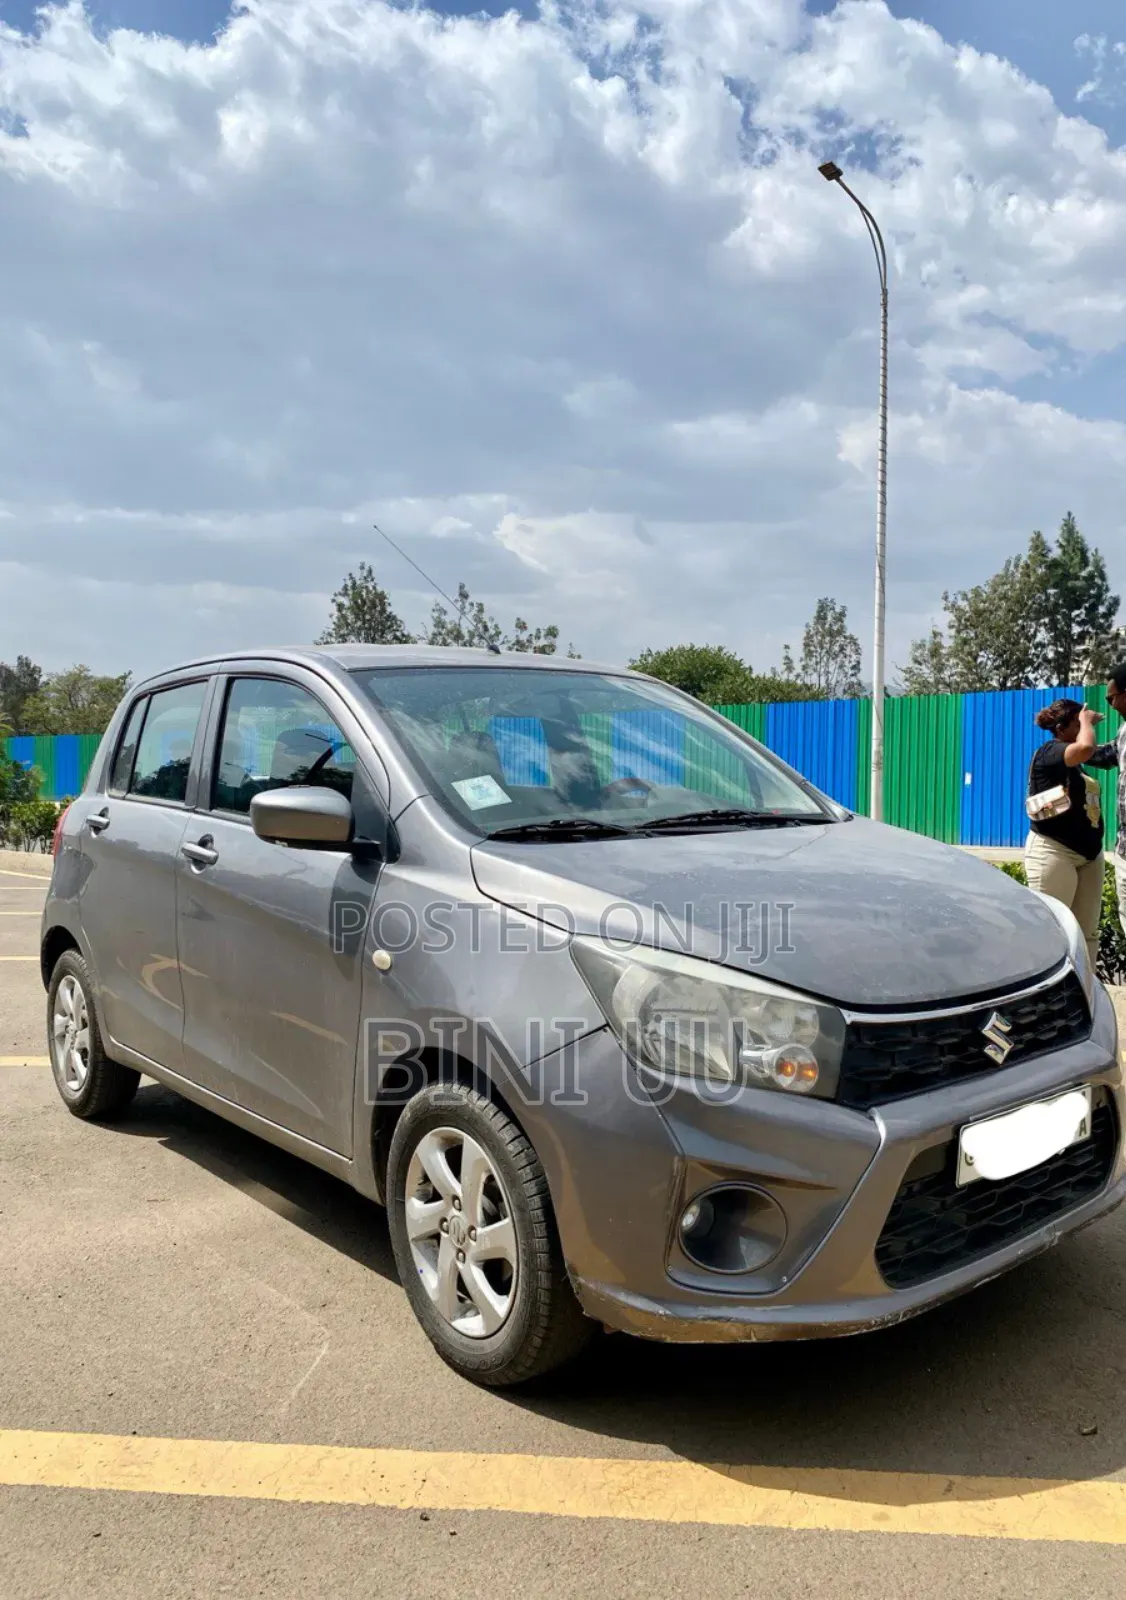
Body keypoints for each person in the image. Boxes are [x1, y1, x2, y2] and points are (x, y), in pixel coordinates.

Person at [1024, 698, 1105, 965]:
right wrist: (1086, 719)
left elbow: (1097, 752)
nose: (1083, 726)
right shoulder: (1051, 751)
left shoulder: (1072, 764)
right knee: (1052, 931)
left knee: (1086, 934)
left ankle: (1086, 995)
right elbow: (1086, 747)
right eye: (1077, 723)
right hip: (1054, 852)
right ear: (1061, 728)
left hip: (1088, 856)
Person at [1085, 662, 1126, 942]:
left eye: (1111, 697)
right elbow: (1106, 755)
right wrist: (1076, 745)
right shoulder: (1124, 731)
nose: (1109, 704)